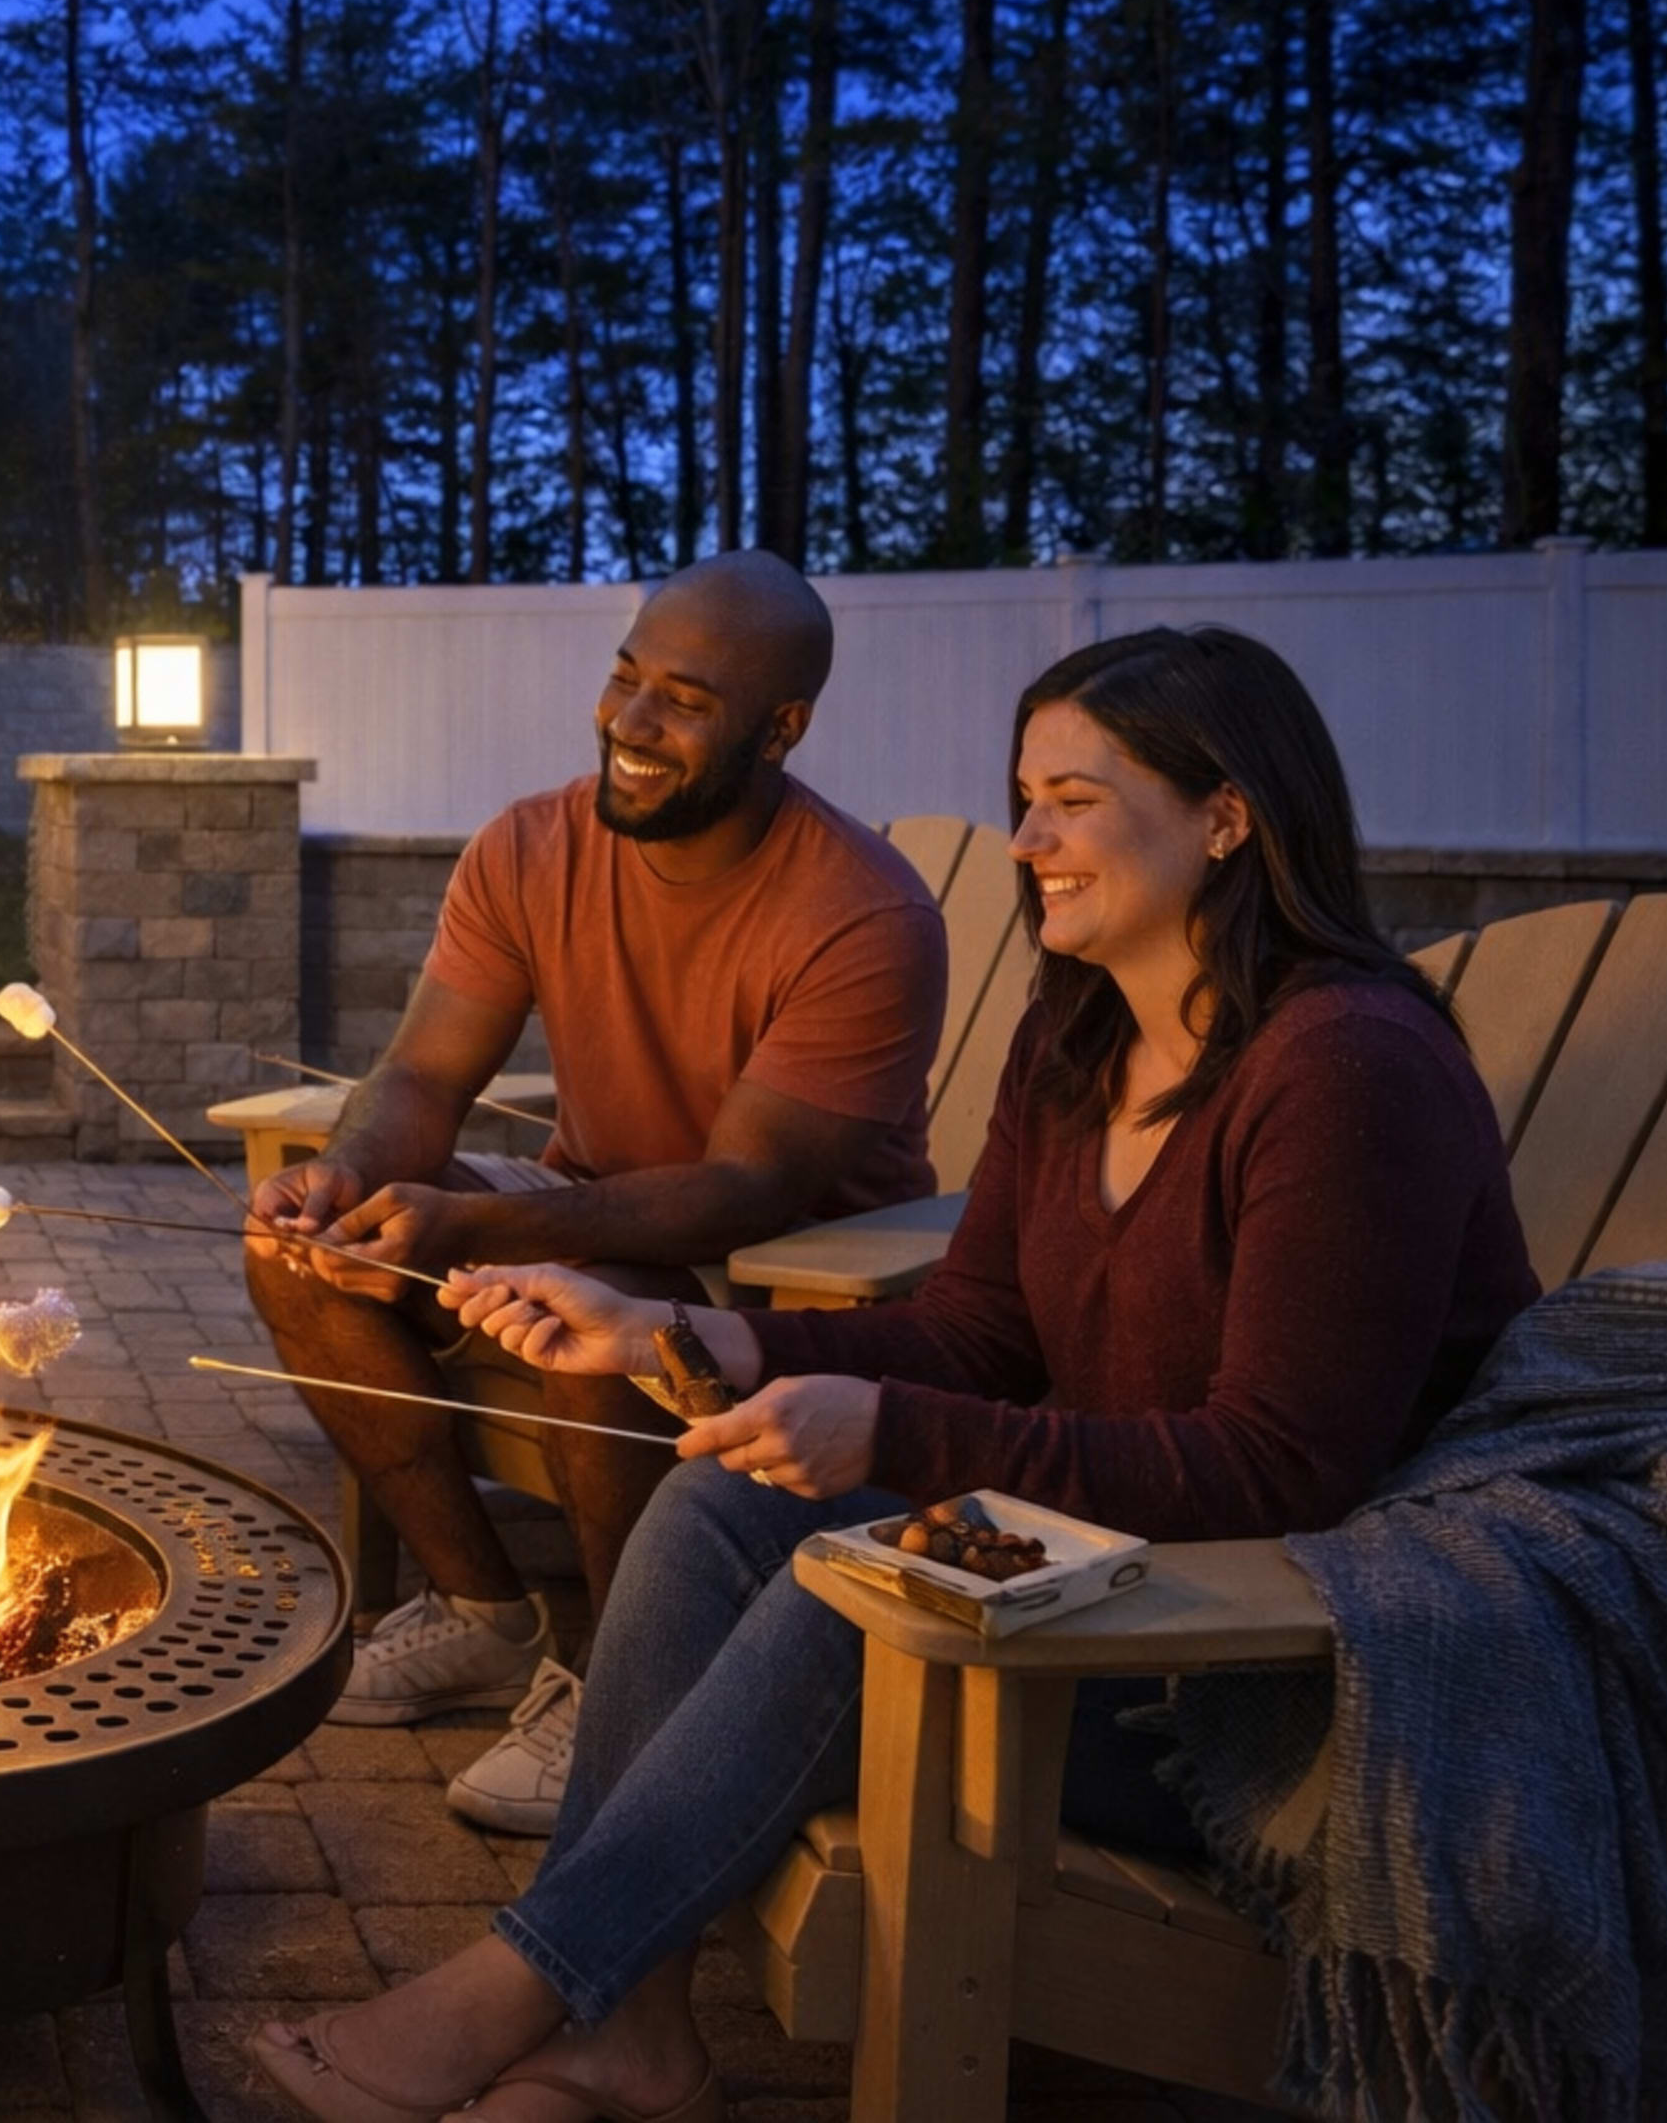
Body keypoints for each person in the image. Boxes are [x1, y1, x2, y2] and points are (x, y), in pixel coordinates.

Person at [250, 624, 1539, 2123]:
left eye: (1074, 797)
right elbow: (974, 1335)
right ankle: (636, 2025)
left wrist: (888, 1426)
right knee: (716, 1494)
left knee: (848, 1593)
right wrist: (676, 1340)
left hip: (1263, 1684)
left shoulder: (1347, 1070)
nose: (1030, 839)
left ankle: (527, 1982)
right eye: (1025, 796)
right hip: (1103, 1585)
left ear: (1227, 817)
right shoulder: (1081, 1044)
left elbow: (1282, 1469)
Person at [250, 552, 949, 1835]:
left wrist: (481, 1224)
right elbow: (420, 1073)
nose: (631, 722)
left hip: (798, 1272)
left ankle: (627, 1682)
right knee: (303, 1253)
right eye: (626, 678)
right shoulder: (532, 844)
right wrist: (353, 1178)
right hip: (600, 1206)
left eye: (684, 700)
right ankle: (486, 1615)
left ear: (780, 728)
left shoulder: (861, 914)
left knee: (590, 1313)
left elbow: (746, 1189)